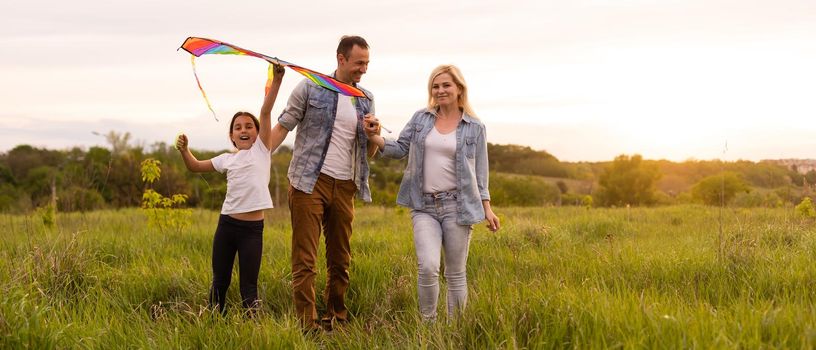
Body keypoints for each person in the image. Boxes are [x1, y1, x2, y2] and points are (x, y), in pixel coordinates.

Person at [364, 64, 500, 321]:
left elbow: (481, 173)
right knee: (427, 267)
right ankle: (428, 326)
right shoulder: (421, 119)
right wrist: (375, 136)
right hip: (424, 205)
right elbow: (400, 148)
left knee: (455, 273)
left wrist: (487, 207)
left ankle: (455, 331)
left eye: (446, 85)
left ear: (459, 89)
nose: (440, 90)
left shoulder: (475, 127)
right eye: (435, 86)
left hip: (458, 206)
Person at [274, 35, 378, 331]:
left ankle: (337, 318)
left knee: (340, 258)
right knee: (305, 259)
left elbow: (368, 153)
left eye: (367, 63)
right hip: (310, 182)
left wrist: (373, 134)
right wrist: (256, 154)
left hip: (346, 185)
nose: (363, 69)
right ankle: (308, 323)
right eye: (359, 63)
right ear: (341, 59)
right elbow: (283, 126)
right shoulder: (310, 86)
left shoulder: (365, 99)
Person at [176, 64, 287, 315]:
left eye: (249, 126)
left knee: (249, 286)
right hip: (226, 226)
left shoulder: (262, 150)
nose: (244, 130)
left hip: (251, 231)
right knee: (220, 282)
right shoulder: (227, 159)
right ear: (232, 136)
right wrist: (184, 150)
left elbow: (266, 111)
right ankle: (215, 322)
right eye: (238, 127)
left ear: (259, 134)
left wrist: (277, 81)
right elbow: (194, 166)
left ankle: (252, 329)